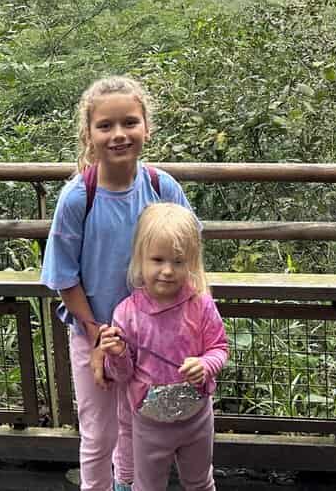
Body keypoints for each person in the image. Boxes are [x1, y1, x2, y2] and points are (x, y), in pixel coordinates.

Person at [41, 77, 195, 491]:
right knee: (99, 432)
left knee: (137, 428)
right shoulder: (78, 198)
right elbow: (63, 277)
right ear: (88, 134)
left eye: (130, 122)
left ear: (147, 127)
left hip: (152, 336)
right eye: (105, 125)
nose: (119, 134)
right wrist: (95, 334)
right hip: (94, 332)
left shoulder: (163, 188)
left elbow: (190, 258)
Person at [99, 202, 228, 491]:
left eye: (178, 262)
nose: (167, 271)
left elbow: (219, 348)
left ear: (191, 262)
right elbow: (121, 376)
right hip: (148, 422)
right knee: (148, 486)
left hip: (197, 418)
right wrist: (116, 355)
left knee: (200, 482)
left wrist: (206, 365)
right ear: (140, 260)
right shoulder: (127, 313)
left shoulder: (201, 305)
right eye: (158, 260)